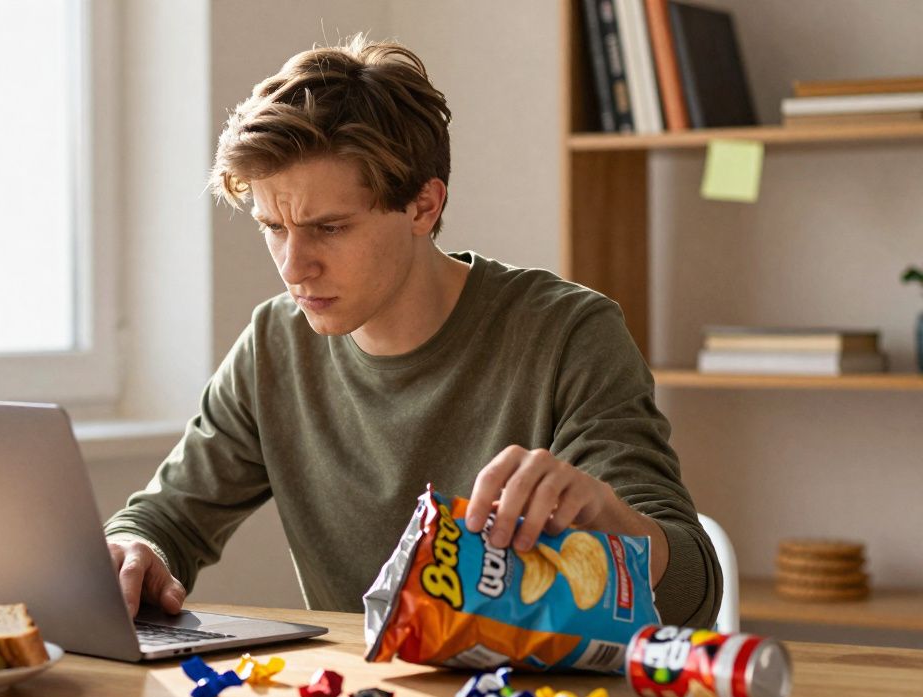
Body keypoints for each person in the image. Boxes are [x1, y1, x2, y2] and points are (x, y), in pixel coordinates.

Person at [103, 35, 721, 628]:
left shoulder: (569, 335)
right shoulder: (274, 345)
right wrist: (133, 549)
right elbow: (169, 521)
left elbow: (694, 594)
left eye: (330, 228)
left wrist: (614, 522)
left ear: (424, 206)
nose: (293, 267)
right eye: (273, 227)